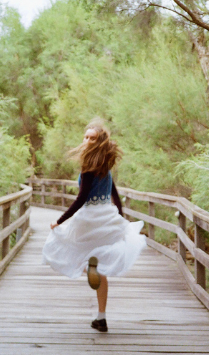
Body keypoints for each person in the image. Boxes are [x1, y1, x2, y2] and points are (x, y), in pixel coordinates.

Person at [42, 120, 146, 332]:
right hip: (106, 215)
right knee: (101, 267)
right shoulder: (105, 164)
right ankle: (101, 316)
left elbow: (81, 199)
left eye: (92, 138)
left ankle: (90, 268)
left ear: (99, 142)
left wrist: (59, 221)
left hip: (90, 218)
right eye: (86, 137)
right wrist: (120, 216)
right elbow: (114, 192)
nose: (87, 140)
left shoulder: (89, 167)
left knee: (72, 246)